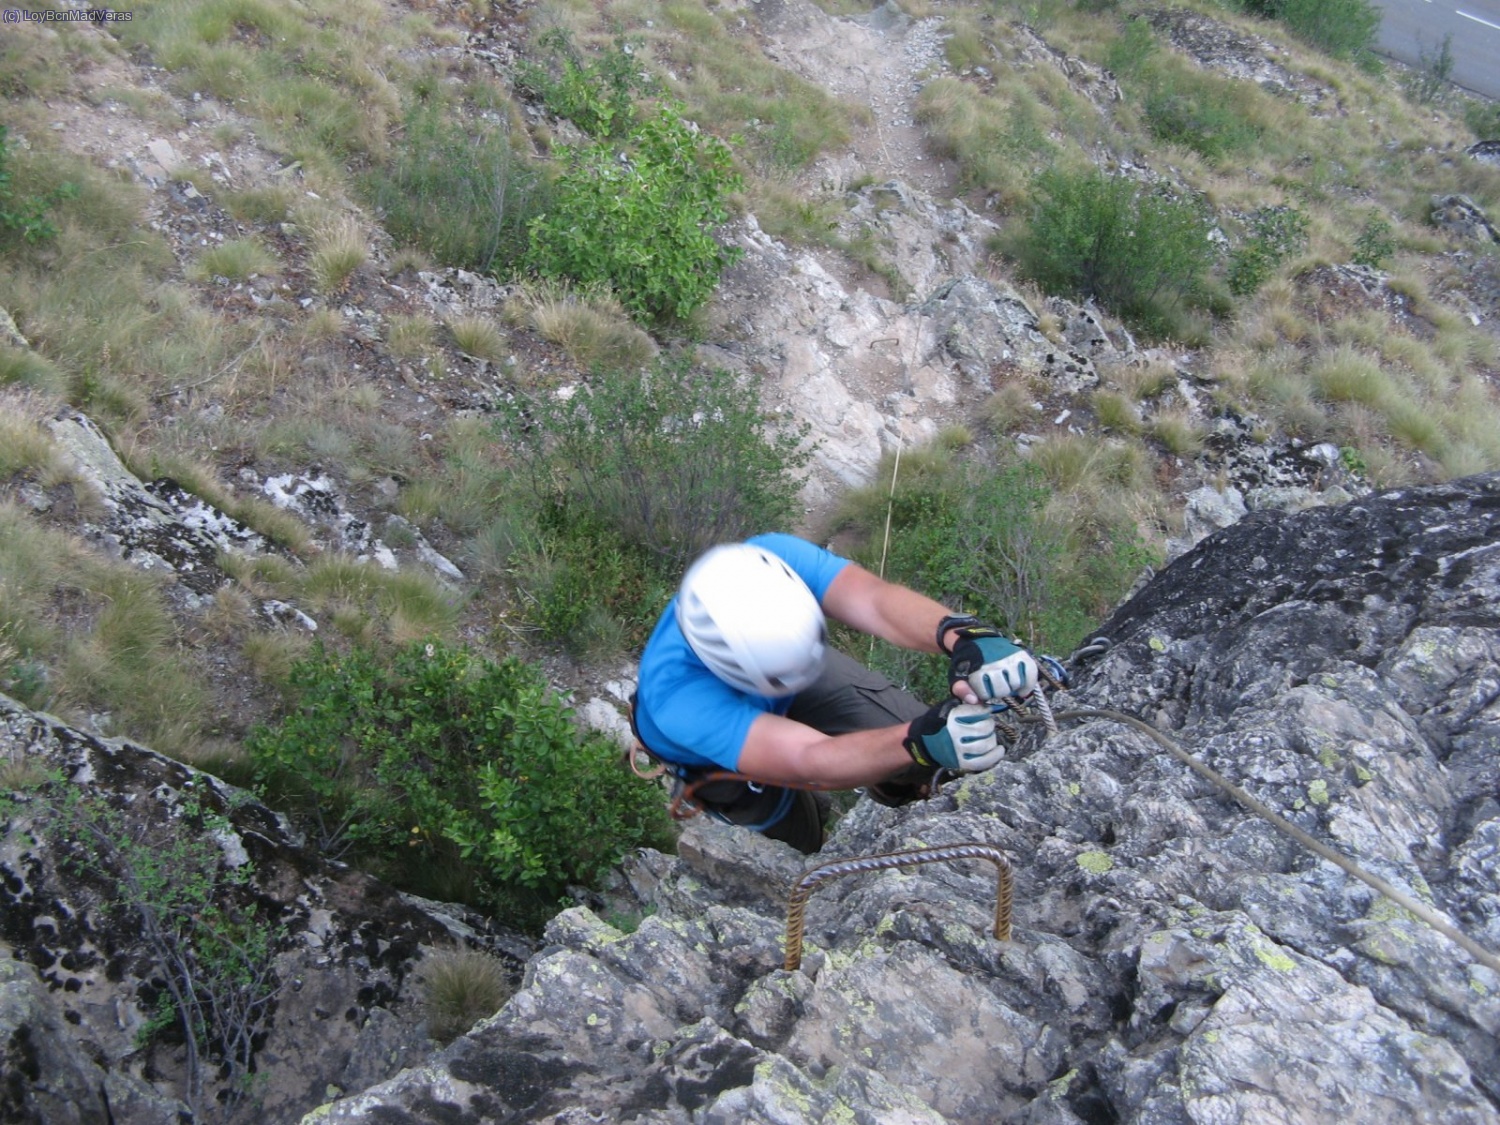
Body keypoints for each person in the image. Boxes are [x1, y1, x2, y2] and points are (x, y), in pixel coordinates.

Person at [632, 533, 1043, 853]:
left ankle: (905, 783)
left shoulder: (769, 559)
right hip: (707, 753)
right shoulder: (678, 698)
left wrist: (961, 634)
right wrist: (918, 742)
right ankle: (812, 834)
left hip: (777, 664)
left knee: (900, 722)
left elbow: (874, 601)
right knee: (792, 841)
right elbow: (808, 760)